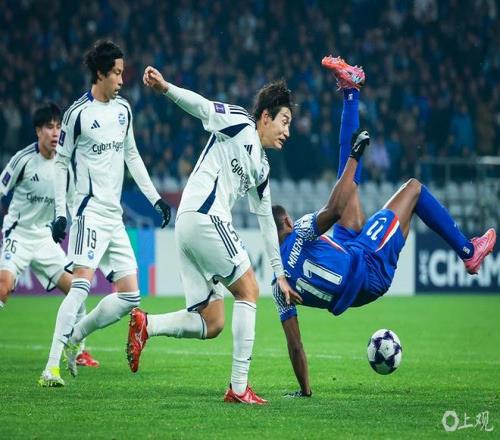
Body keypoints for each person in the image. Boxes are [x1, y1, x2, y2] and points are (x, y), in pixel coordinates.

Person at [271, 55, 497, 397]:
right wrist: (356, 156)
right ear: (287, 221)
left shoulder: (278, 286)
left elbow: (295, 345)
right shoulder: (300, 232)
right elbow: (333, 210)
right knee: (413, 189)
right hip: (368, 267)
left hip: (351, 265)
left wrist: (305, 391)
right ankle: (469, 252)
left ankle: (351, 91)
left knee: (345, 182)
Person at [127, 66, 299, 405]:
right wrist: (166, 88)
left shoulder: (262, 168)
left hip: (189, 226)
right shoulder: (240, 123)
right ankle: (239, 388)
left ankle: (147, 324)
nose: (287, 132)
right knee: (249, 289)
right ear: (265, 116)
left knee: (213, 321)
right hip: (205, 216)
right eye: (284, 121)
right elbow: (203, 107)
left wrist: (280, 274)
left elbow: (266, 220)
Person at [39, 41, 171, 386]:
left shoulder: (123, 110)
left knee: (130, 296)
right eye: (116, 73)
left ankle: (75, 336)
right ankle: (50, 367)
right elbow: (61, 163)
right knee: (80, 286)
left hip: (114, 216)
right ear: (100, 74)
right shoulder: (78, 114)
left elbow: (132, 156)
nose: (122, 80)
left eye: (123, 73)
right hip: (89, 212)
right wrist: (61, 213)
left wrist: (156, 199)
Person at [0, 103, 99, 386]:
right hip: (19, 235)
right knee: (3, 287)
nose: (55, 133)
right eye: (49, 127)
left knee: (77, 289)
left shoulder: (64, 165)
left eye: (58, 127)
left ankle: (79, 350)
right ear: (38, 131)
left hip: (45, 239)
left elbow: (72, 204)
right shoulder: (23, 159)